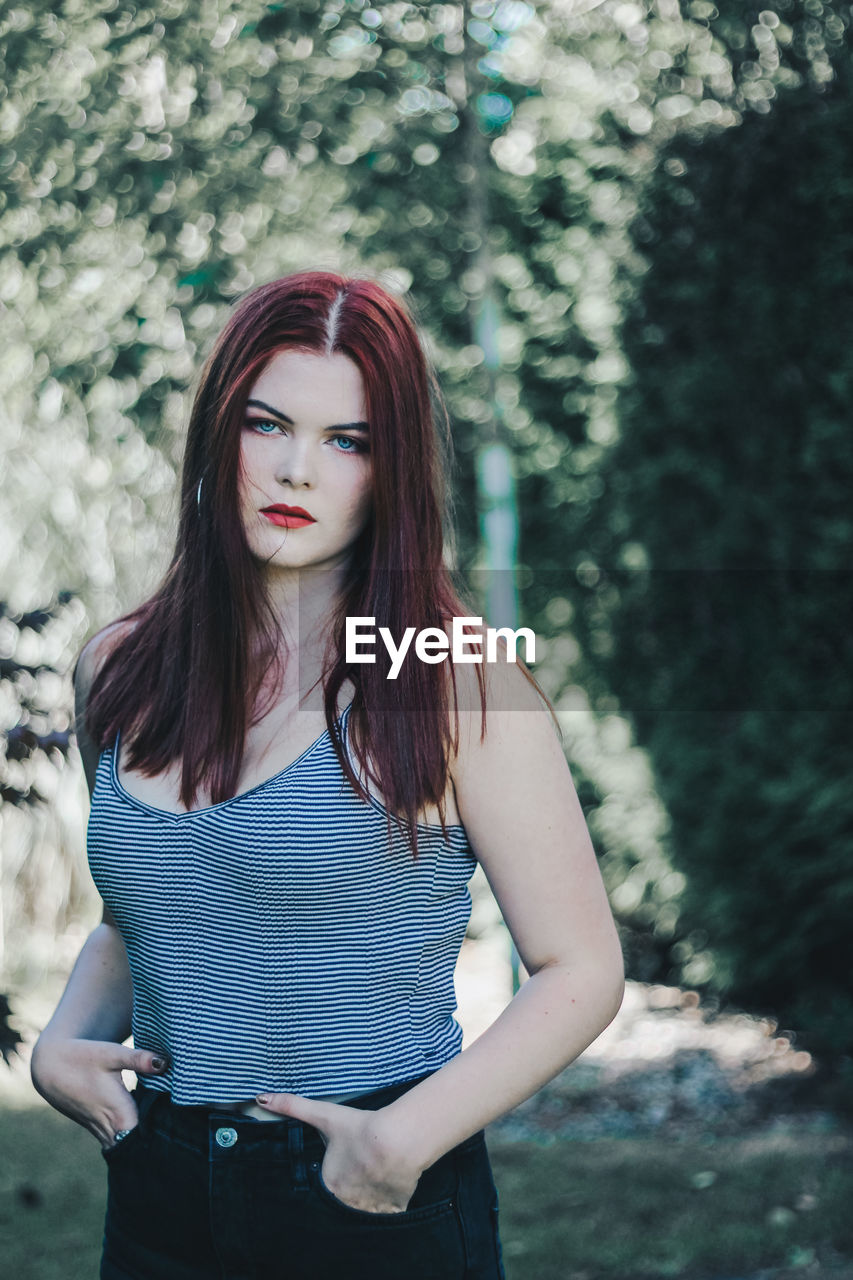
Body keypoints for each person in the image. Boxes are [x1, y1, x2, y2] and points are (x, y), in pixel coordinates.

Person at [30, 269, 625, 1280]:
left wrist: (399, 1142)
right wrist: (61, 1043)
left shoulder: (457, 680)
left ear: (390, 469)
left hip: (371, 1194)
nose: (297, 470)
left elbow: (581, 968)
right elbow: (161, 904)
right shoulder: (120, 664)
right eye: (269, 424)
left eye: (347, 441)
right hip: (158, 1195)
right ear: (220, 433)